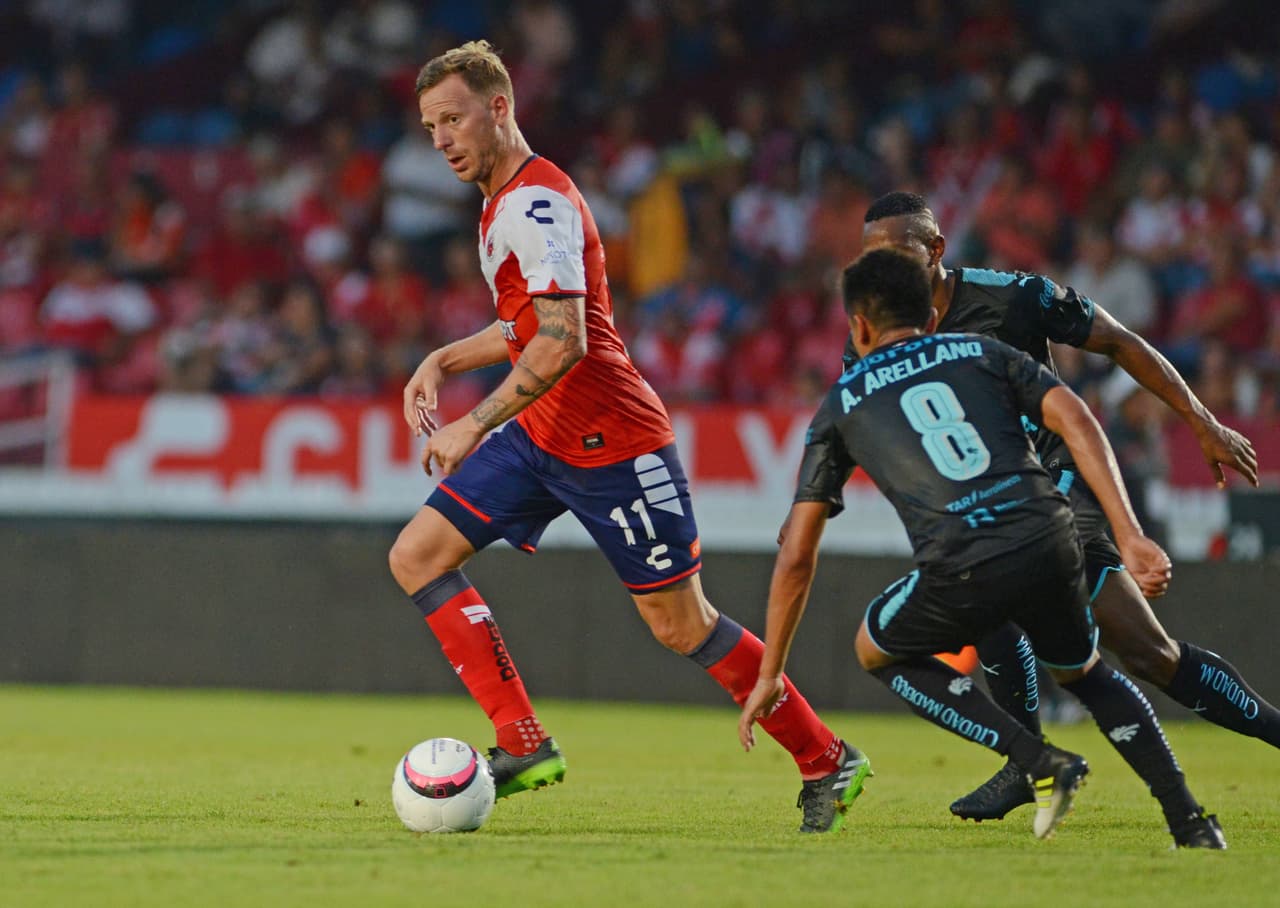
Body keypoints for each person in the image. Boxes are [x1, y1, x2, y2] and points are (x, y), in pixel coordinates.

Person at [389, 40, 870, 834]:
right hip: (542, 435)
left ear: (500, 107)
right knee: (416, 555)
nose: (439, 138)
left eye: (452, 118)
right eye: (429, 125)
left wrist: (474, 420)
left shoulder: (533, 204)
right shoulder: (499, 198)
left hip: (613, 443)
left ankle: (827, 757)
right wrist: (443, 358)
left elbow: (564, 339)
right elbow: (523, 327)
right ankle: (523, 741)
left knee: (682, 624)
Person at [787, 191, 1270, 823]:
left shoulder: (1013, 296)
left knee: (1147, 653)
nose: (885, 269)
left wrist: (1201, 422)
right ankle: (1030, 763)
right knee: (991, 606)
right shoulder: (874, 332)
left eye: (899, 252)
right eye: (872, 256)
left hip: (1056, 485)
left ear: (934, 250)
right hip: (983, 506)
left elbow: (1120, 343)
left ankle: (1049, 765)